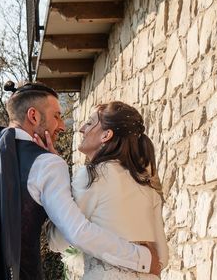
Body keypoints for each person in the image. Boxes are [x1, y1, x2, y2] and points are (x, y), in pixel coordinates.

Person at [0, 82, 160, 280]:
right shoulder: (47, 164)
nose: (62, 126)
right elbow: (76, 232)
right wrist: (141, 258)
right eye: (57, 116)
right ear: (33, 116)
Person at [43, 101, 168, 279]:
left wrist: (56, 184)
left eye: (89, 122)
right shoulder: (146, 183)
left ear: (106, 135)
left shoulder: (93, 176)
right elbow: (161, 258)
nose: (81, 129)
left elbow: (58, 240)